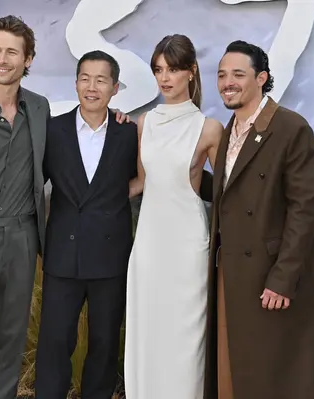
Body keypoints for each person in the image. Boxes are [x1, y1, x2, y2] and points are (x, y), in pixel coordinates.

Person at [0, 15, 128, 399]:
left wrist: (115, 121)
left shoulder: (38, 108)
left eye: (12, 52)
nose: (3, 59)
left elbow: (73, 151)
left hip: (21, 237)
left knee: (11, 344)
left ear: (28, 59)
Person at [205, 40, 314, 399]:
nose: (227, 82)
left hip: (271, 276)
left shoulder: (290, 128)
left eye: (238, 74)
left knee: (281, 375)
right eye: (222, 75)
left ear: (261, 78)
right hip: (232, 274)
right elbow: (233, 194)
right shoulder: (228, 132)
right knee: (239, 373)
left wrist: (283, 279)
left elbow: (305, 209)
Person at [124, 34, 223, 398]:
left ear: (191, 72)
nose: (164, 78)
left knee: (185, 344)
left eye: (173, 69)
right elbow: (140, 183)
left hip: (187, 249)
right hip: (149, 245)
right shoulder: (143, 122)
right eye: (158, 70)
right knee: (148, 335)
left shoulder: (210, 129)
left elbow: (230, 190)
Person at [34, 50, 137, 399]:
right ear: (76, 82)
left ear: (115, 87)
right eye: (85, 78)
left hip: (110, 256)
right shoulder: (53, 130)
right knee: (54, 344)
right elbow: (33, 184)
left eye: (101, 80)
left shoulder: (129, 133)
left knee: (105, 345)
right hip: (64, 255)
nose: (91, 87)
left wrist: (114, 199)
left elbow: (145, 178)